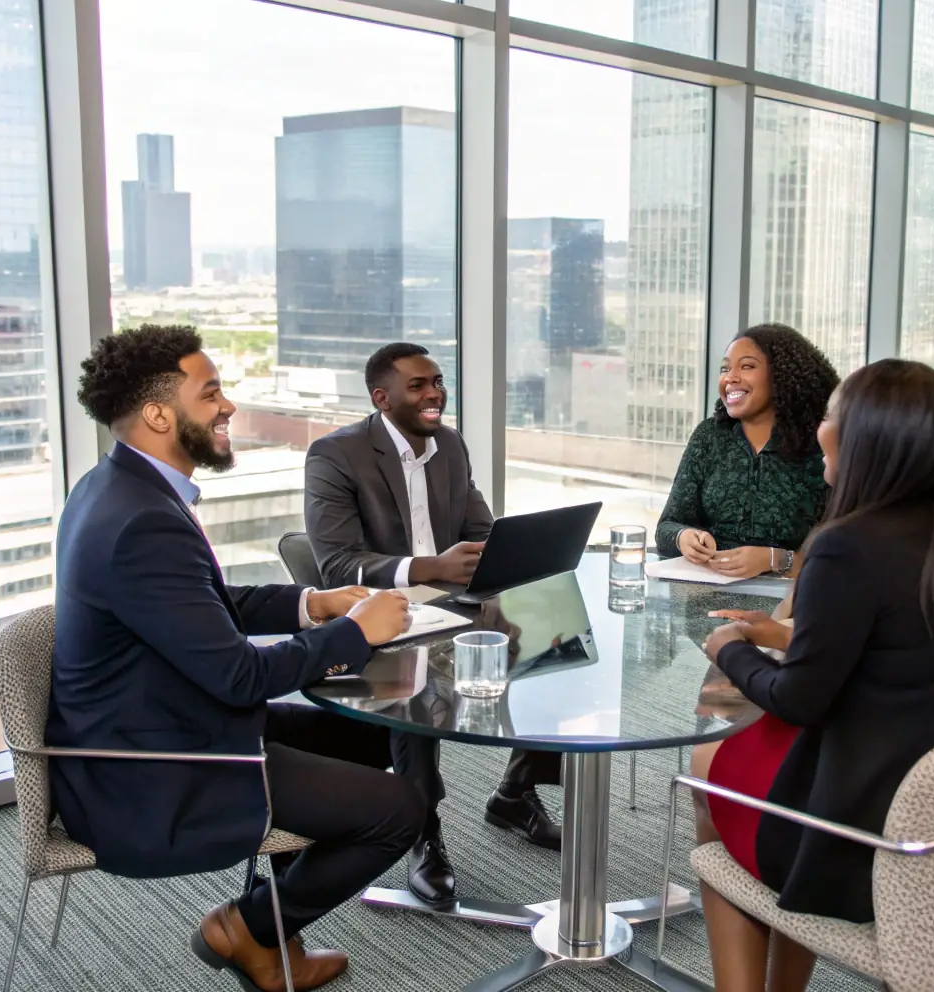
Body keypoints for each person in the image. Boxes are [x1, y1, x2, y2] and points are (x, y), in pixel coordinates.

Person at [49, 325, 423, 992]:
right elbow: (240, 674)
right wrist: (358, 633)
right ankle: (250, 928)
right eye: (212, 392)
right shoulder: (141, 520)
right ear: (159, 413)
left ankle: (275, 935)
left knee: (369, 732)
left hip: (160, 719)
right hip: (156, 768)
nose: (227, 407)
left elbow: (204, 604)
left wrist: (317, 603)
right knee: (401, 809)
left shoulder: (114, 486)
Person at [693, 359, 934, 992]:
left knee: (710, 770)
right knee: (729, 758)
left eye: (831, 415)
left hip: (854, 826)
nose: (820, 428)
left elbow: (800, 699)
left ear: (863, 436)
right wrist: (786, 636)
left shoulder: (848, 545)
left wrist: (728, 645)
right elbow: (897, 644)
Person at [303, 343, 562, 908]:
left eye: (438, 382)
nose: (434, 394)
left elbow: (478, 523)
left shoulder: (448, 444)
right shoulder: (335, 455)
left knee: (554, 638)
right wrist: (427, 567)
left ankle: (517, 790)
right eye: (418, 386)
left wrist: (512, 551)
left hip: (454, 602)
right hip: (381, 611)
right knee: (411, 688)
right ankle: (424, 833)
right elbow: (337, 564)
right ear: (382, 397)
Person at [655, 323, 840, 580]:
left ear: (782, 375)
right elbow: (667, 526)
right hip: (705, 593)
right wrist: (683, 537)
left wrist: (773, 558)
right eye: (725, 368)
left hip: (789, 601)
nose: (730, 377)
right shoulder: (709, 436)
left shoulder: (820, 446)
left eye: (747, 366)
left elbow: (840, 553)